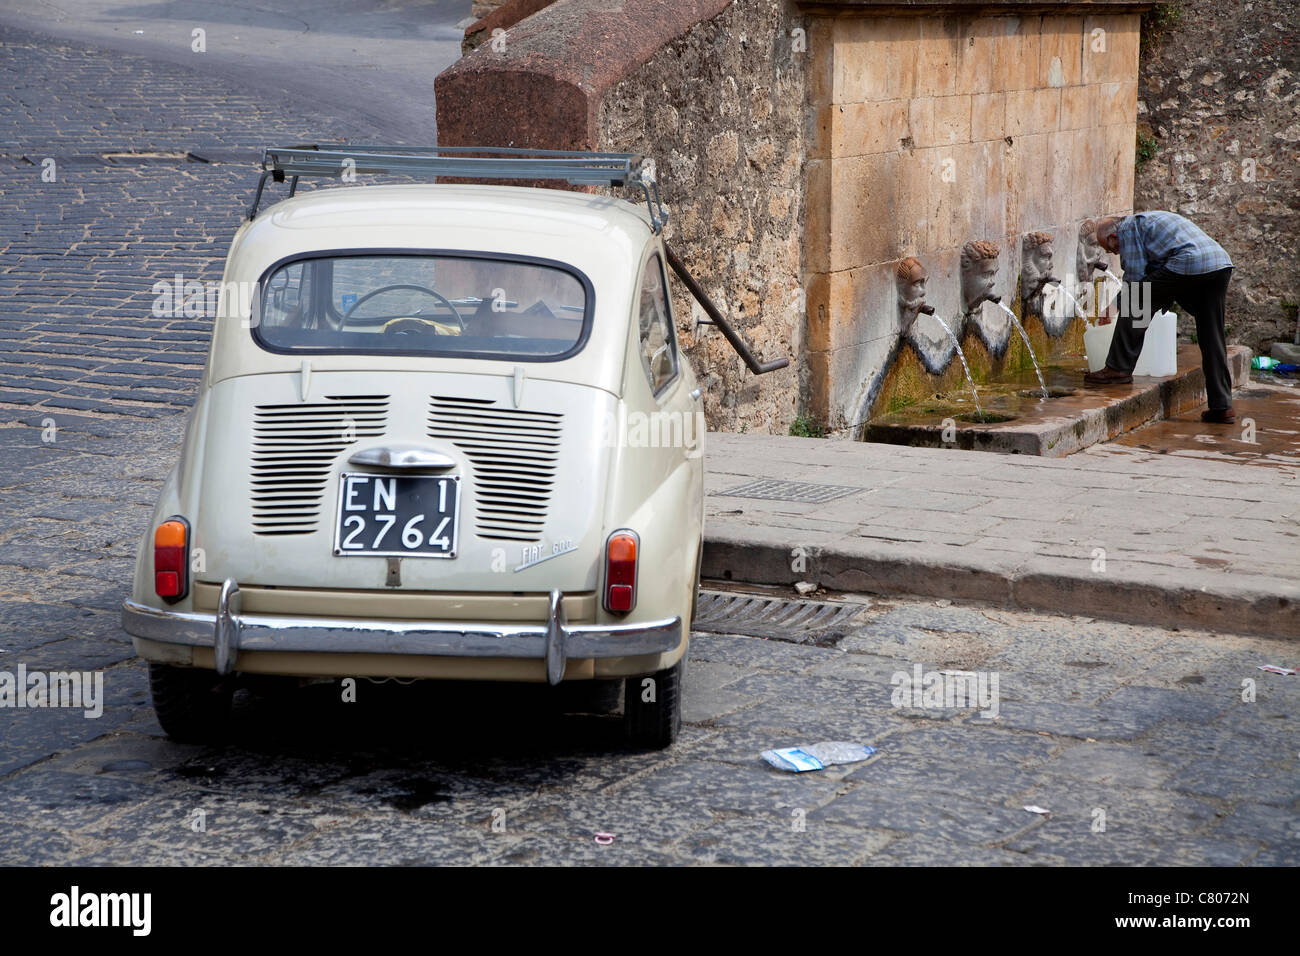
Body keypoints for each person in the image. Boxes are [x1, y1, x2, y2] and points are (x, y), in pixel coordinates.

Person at [1084, 211, 1236, 423]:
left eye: (1109, 248)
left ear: (1112, 238)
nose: (1115, 253)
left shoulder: (1128, 229)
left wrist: (1113, 306)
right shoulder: (1147, 223)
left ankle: (1118, 368)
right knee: (1212, 336)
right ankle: (1222, 406)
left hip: (1189, 263)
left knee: (1136, 300)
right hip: (1219, 265)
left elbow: (1136, 280)